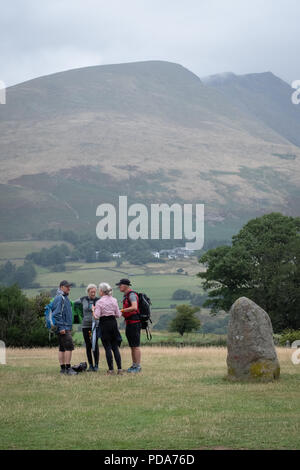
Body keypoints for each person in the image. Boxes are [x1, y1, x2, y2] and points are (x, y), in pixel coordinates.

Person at [93, 282, 123, 375]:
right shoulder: (114, 300)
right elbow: (118, 315)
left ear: (101, 291)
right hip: (113, 323)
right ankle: (120, 369)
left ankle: (111, 370)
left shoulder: (99, 302)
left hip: (104, 324)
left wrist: (93, 310)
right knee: (115, 348)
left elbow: (97, 316)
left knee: (107, 348)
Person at [116, 278, 142, 373]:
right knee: (132, 345)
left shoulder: (131, 295)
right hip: (129, 323)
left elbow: (134, 307)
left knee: (136, 345)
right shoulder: (126, 295)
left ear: (125, 285)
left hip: (134, 323)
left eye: (120, 285)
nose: (119, 286)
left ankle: (138, 366)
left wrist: (121, 311)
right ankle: (134, 365)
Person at [52, 280, 77, 375]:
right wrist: (62, 327)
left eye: (69, 286)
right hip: (63, 327)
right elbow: (56, 314)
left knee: (62, 348)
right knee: (69, 347)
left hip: (64, 327)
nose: (69, 288)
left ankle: (63, 369)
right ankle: (68, 368)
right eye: (67, 287)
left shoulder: (62, 297)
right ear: (61, 287)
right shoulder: (60, 298)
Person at [74, 284, 100, 372]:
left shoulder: (98, 300)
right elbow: (74, 303)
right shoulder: (83, 299)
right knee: (88, 345)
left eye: (94, 292)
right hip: (85, 325)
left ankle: (96, 365)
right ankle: (91, 365)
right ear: (88, 292)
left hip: (95, 325)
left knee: (95, 345)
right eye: (91, 292)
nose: (93, 293)